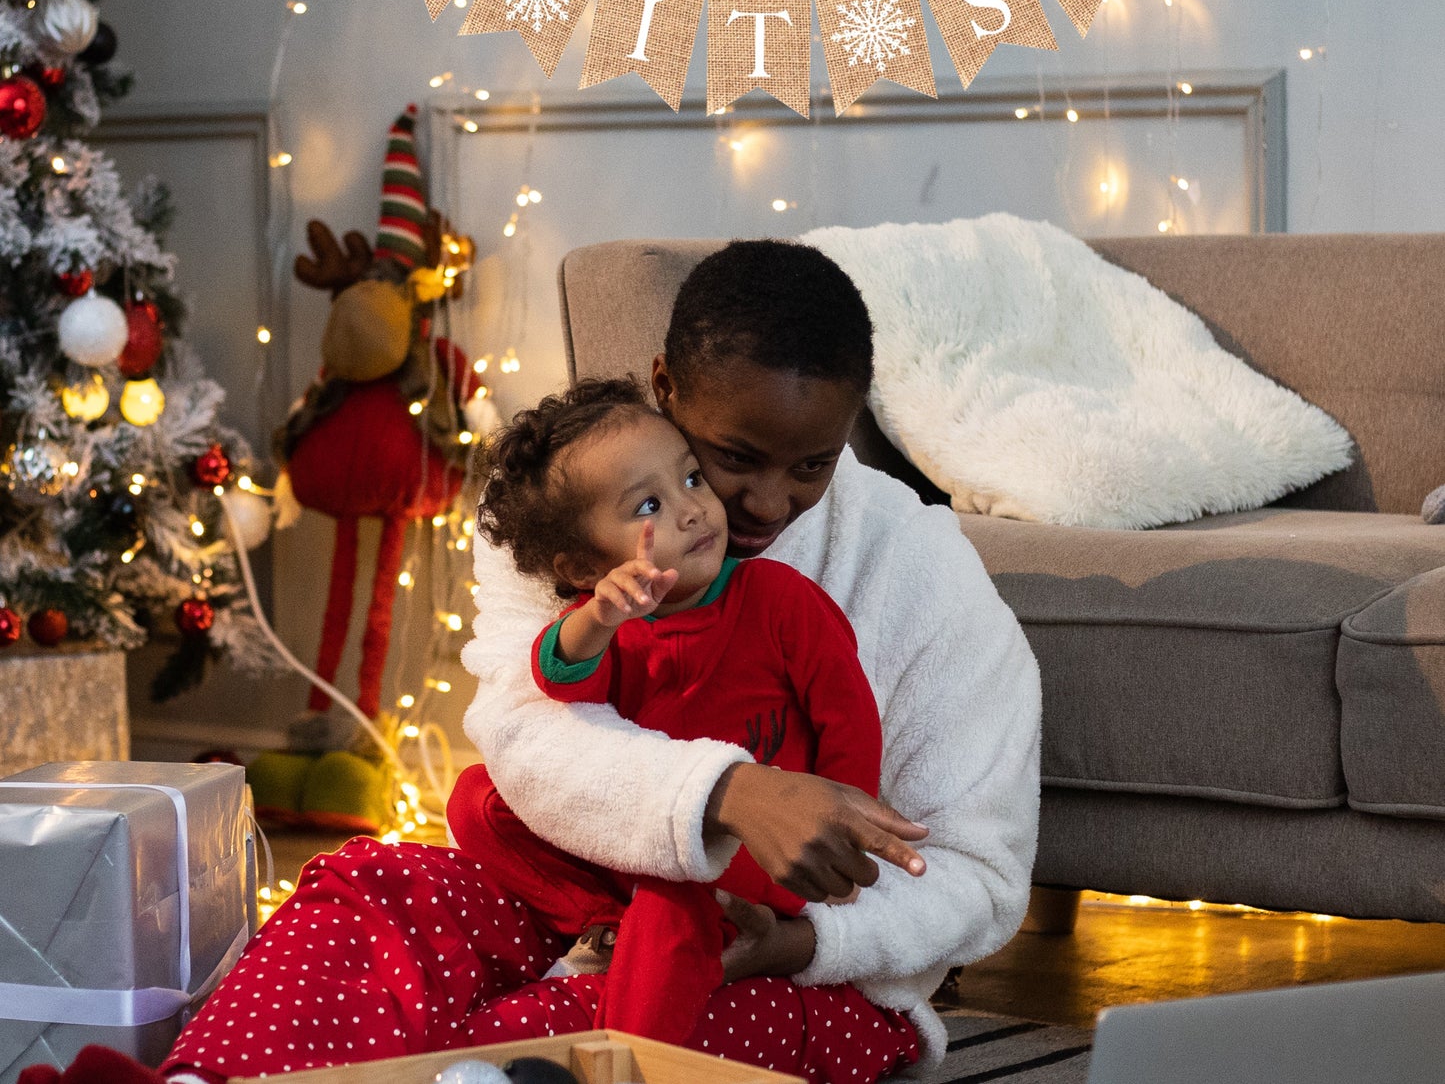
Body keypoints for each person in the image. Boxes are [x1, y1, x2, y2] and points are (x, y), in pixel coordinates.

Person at [24, 238, 1038, 1084]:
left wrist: (810, 941)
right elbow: (525, 729)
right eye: (731, 458)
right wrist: (730, 789)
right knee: (371, 890)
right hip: (561, 895)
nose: (764, 504)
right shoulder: (567, 498)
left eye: (807, 466)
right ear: (664, 387)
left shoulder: (922, 575)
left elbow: (980, 875)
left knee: (591, 1026)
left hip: (785, 969)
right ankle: (202, 1078)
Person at [453, 375, 886, 1047]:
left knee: (669, 902)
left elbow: (848, 714)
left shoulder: (776, 597)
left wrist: (839, 825)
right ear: (581, 564)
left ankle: (634, 1056)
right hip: (637, 842)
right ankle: (601, 921)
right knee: (478, 799)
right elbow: (561, 690)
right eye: (649, 503)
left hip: (754, 850)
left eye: (691, 478)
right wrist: (598, 616)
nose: (692, 509)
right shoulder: (611, 624)